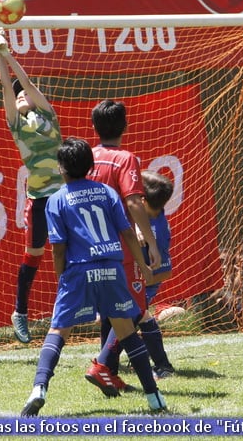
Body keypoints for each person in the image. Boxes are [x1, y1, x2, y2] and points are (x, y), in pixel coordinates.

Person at [20, 137, 167, 416]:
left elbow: (59, 247)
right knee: (126, 331)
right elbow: (126, 232)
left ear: (60, 168)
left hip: (79, 269)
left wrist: (61, 275)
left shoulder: (56, 200)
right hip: (112, 268)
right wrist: (143, 265)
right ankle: (154, 397)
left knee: (58, 330)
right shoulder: (107, 193)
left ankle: (39, 388)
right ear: (90, 167)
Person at [0, 28, 63, 343]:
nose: (20, 94)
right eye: (17, 95)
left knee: (72, 252)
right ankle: (20, 312)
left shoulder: (47, 116)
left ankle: (78, 309)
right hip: (39, 199)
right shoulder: (16, 125)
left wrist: (10, 55)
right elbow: (8, 84)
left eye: (25, 94)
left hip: (63, 197)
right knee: (33, 254)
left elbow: (26, 82)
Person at [83, 99, 162, 389]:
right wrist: (150, 242)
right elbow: (133, 200)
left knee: (110, 309)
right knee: (134, 308)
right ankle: (101, 364)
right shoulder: (125, 158)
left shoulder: (87, 157)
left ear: (94, 127)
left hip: (90, 246)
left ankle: (110, 373)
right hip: (120, 247)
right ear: (125, 126)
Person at [85, 170, 176, 397]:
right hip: (126, 281)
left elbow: (164, 271)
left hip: (140, 284)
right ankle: (110, 372)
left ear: (141, 201)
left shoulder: (155, 230)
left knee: (130, 317)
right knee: (116, 317)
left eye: (133, 196)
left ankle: (105, 366)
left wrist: (140, 284)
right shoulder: (138, 218)